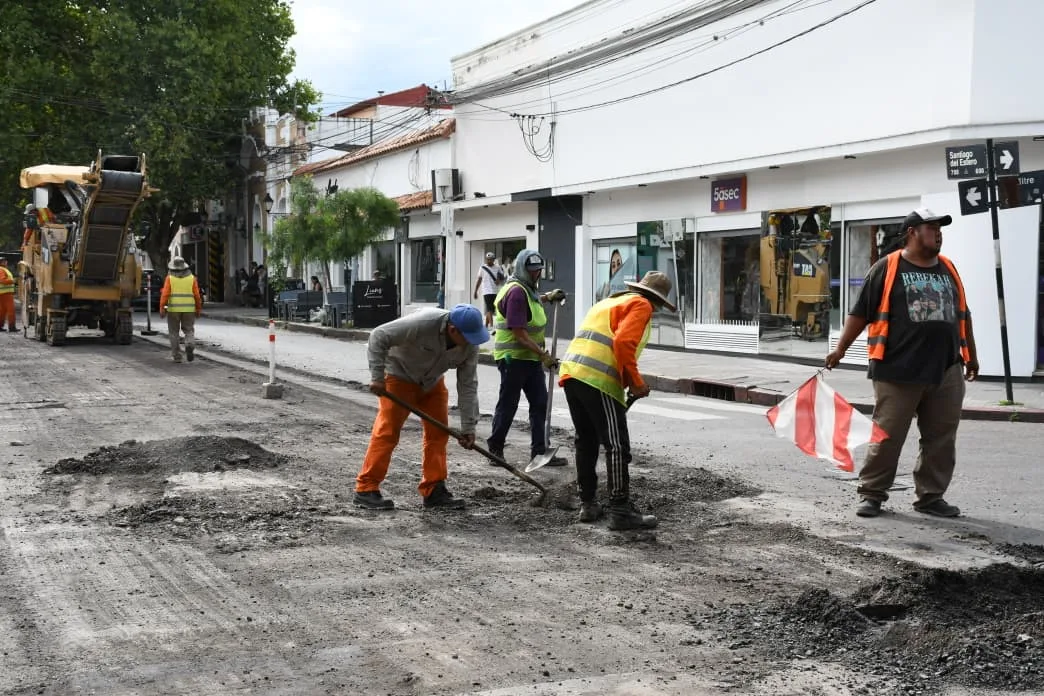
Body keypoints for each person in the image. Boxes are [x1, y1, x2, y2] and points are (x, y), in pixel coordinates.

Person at [826, 208, 979, 519]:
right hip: (897, 370)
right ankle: (872, 493)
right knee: (888, 435)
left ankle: (931, 497)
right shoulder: (887, 267)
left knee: (941, 438)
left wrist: (971, 356)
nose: (938, 233)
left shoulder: (948, 268)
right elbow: (861, 312)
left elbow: (963, 314)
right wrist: (840, 349)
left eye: (939, 228)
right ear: (912, 232)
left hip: (946, 369)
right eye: (932, 227)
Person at [559, 271, 675, 530]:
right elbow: (622, 342)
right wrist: (635, 382)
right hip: (598, 380)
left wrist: (629, 381)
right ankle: (620, 511)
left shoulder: (608, 301)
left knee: (586, 441)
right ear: (655, 299)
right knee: (616, 446)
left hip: (572, 374)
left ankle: (588, 504)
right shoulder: (640, 304)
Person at [354, 303, 488, 511]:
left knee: (438, 433)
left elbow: (468, 385)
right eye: (468, 337)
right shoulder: (423, 323)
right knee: (387, 432)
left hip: (432, 383)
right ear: (453, 330)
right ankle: (366, 488)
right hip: (399, 377)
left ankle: (434, 489)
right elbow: (378, 336)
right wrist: (377, 377)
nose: (472, 343)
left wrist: (468, 427)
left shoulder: (470, 345)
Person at [486, 249, 568, 467]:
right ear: (522, 268)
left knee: (540, 402)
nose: (536, 274)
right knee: (508, 404)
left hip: (529, 358)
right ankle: (495, 448)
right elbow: (519, 334)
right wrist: (544, 356)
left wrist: (547, 297)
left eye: (539, 270)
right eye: (532, 271)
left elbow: (530, 301)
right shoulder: (515, 293)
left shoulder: (526, 289)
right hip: (513, 358)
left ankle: (539, 452)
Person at [159, 256, 203, 363]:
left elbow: (165, 294)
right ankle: (189, 344)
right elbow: (197, 295)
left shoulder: (169, 278)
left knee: (173, 332)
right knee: (189, 330)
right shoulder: (192, 278)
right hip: (189, 309)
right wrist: (198, 309)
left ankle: (177, 356)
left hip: (173, 309)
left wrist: (162, 308)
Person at [473, 251, 505, 329]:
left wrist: (498, 280)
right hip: (486, 291)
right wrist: (475, 291)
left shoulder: (497, 267)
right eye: (488, 259)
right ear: (486, 259)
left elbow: (502, 277)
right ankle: (491, 326)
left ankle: (486, 325)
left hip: (495, 290)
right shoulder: (482, 268)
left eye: (491, 259)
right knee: (489, 308)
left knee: (491, 308)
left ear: (494, 260)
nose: (489, 261)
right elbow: (479, 279)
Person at [0, 257, 17, 332]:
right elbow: (2, 280)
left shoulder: (4, 269)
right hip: (6, 294)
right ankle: (12, 327)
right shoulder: (1, 270)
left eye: (5, 260)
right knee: (11, 311)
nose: (6, 262)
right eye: (4, 261)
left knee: (2, 311)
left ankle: (0, 326)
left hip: (4, 294)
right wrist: (12, 281)